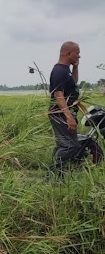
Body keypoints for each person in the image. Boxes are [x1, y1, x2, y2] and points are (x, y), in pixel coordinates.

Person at [48, 41, 83, 176]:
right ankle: (54, 173)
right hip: (60, 114)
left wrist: (76, 67)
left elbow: (74, 82)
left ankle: (57, 174)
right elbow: (58, 94)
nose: (79, 56)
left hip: (65, 113)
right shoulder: (59, 71)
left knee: (69, 144)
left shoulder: (66, 69)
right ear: (69, 53)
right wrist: (68, 116)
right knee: (68, 145)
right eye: (77, 53)